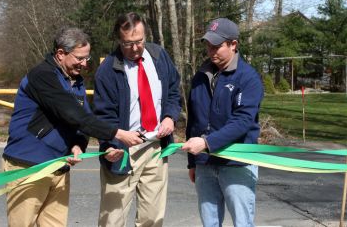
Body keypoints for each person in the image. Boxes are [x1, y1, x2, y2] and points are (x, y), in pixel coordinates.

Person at [2, 27, 143, 227]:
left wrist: (78, 145)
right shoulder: (42, 76)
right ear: (61, 54)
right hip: (29, 167)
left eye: (87, 58)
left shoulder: (76, 82)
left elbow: (84, 120)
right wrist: (119, 134)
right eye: (80, 58)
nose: (85, 64)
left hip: (59, 167)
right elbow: (72, 114)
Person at [93, 12, 181, 227]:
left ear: (146, 35)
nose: (134, 48)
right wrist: (111, 145)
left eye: (139, 41)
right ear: (118, 40)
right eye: (127, 43)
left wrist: (170, 117)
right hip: (123, 149)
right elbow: (103, 116)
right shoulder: (107, 71)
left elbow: (173, 91)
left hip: (156, 148)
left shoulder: (159, 55)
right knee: (112, 220)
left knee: (152, 218)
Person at [181, 18, 264, 227]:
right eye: (208, 45)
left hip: (237, 164)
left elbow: (242, 121)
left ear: (233, 45)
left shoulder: (248, 78)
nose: (211, 51)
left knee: (242, 223)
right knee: (210, 223)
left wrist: (207, 143)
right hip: (205, 164)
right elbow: (194, 119)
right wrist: (193, 162)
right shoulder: (200, 76)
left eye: (216, 46)